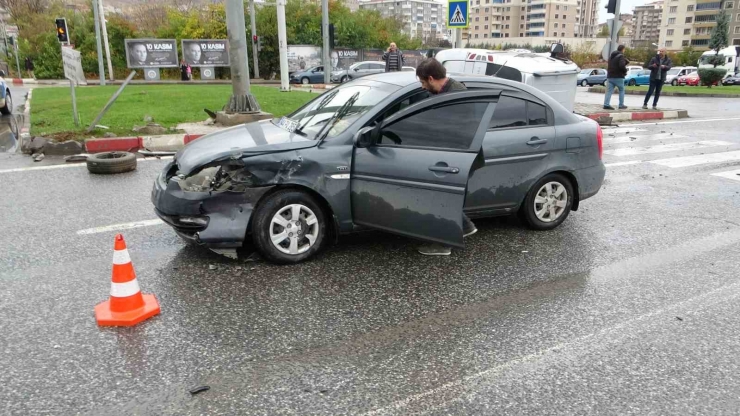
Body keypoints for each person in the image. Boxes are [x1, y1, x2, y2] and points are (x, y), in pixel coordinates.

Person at [414, 58, 478, 256]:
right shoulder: (447, 91)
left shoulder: (456, 95)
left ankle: (444, 245)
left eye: (423, 82)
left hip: (457, 156)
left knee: (444, 199)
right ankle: (465, 226)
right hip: (452, 155)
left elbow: (455, 130)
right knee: (444, 197)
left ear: (431, 78)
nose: (423, 87)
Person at [603, 44, 628, 110]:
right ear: (623, 49)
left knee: (609, 91)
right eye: (624, 49)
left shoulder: (611, 56)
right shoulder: (621, 56)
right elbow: (621, 65)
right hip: (618, 76)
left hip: (610, 76)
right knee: (621, 90)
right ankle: (621, 105)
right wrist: (625, 70)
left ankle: (606, 104)